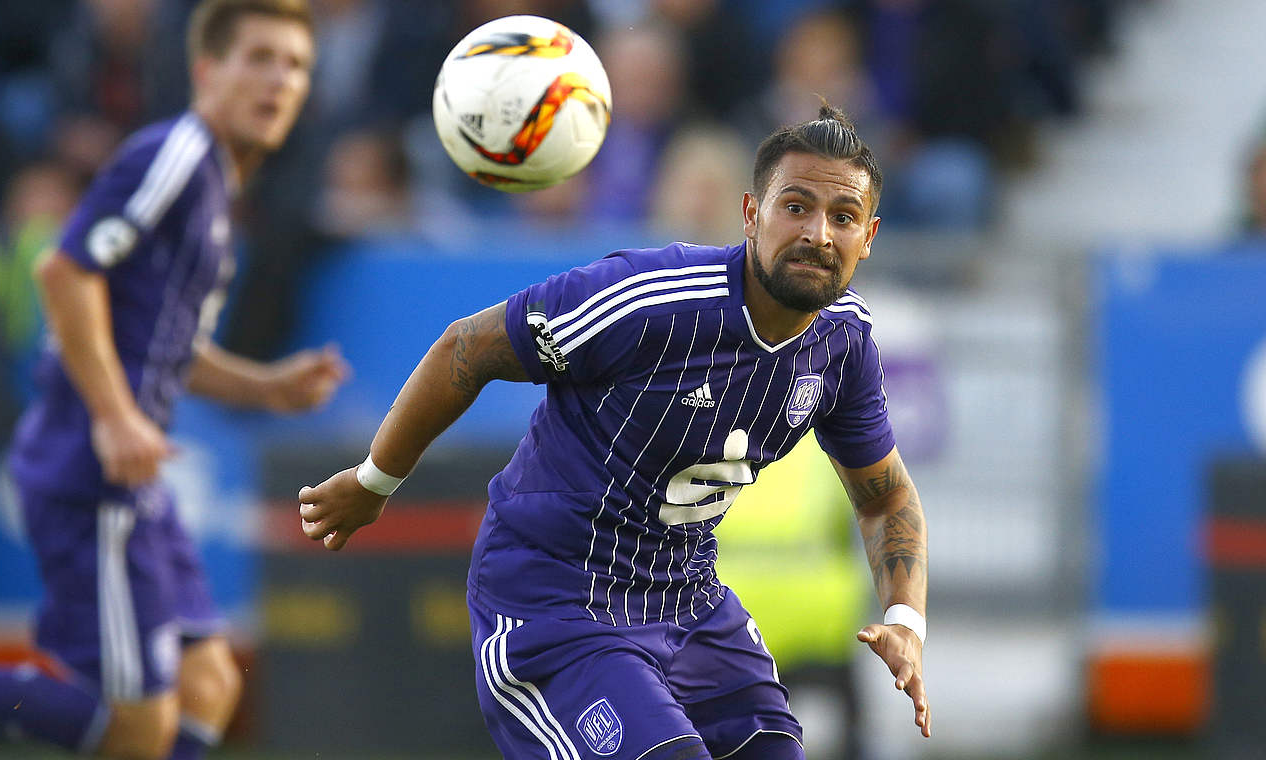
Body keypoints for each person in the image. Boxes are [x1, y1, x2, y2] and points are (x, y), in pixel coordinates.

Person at [299, 102, 931, 759]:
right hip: (556, 601)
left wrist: (906, 621)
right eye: (795, 206)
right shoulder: (647, 300)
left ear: (870, 235)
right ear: (751, 214)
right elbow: (467, 347)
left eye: (843, 217)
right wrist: (375, 481)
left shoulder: (844, 344)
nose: (818, 234)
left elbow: (885, 497)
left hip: (688, 604)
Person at [0, 2, 346, 759]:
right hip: (91, 469)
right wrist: (113, 416)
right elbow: (63, 269)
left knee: (210, 685)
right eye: (261, 58)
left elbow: (177, 352)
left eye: (296, 65)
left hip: (130, 479)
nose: (280, 80)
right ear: (207, 71)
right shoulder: (173, 155)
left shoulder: (213, 190)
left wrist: (269, 387)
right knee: (137, 728)